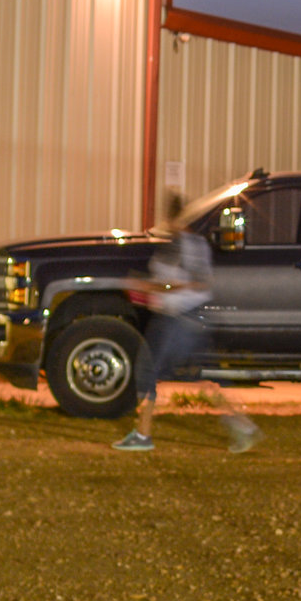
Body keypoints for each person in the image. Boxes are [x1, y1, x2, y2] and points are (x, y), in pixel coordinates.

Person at [113, 194, 262, 453]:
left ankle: (142, 435)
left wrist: (155, 287)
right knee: (201, 377)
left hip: (179, 319)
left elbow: (195, 281)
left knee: (149, 372)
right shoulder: (185, 244)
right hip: (188, 317)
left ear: (173, 217)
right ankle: (242, 426)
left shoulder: (184, 245)